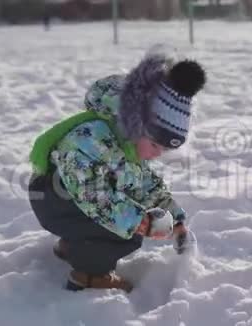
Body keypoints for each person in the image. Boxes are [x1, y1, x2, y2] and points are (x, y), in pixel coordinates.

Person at [27, 49, 206, 292]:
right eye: (154, 144)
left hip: (67, 200)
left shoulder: (126, 144)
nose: (156, 154)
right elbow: (94, 197)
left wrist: (176, 221)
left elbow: (145, 186)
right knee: (126, 233)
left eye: (162, 150)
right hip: (51, 198)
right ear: (136, 123)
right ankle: (89, 275)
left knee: (124, 207)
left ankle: (76, 246)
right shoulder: (90, 138)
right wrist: (141, 223)